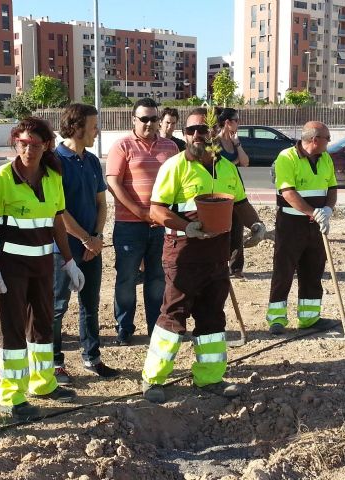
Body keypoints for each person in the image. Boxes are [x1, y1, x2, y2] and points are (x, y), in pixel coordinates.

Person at [140, 107, 265, 404]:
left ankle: (209, 377)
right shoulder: (175, 166)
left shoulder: (227, 168)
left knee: (212, 316)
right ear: (184, 135)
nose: (197, 135)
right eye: (190, 130)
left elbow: (240, 203)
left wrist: (256, 224)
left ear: (214, 133)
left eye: (202, 130)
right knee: (174, 315)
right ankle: (153, 378)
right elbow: (156, 210)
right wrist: (187, 227)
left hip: (216, 255)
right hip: (183, 254)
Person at [0, 116, 82, 419]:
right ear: (16, 143)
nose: (28, 150)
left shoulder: (53, 178)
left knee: (42, 323)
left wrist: (68, 261)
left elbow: (57, 223)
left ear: (46, 146)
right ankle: (11, 394)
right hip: (11, 266)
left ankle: (43, 383)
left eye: (35, 145)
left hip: (43, 264)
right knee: (12, 328)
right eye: (22, 143)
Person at [52, 103, 119, 384]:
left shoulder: (91, 160)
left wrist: (98, 237)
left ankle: (92, 357)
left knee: (90, 303)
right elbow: (59, 211)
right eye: (93, 126)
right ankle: (54, 363)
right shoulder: (55, 161)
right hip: (63, 249)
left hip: (92, 246)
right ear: (77, 127)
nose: (97, 131)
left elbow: (101, 202)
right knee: (57, 306)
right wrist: (85, 239)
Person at [106, 98, 179, 344]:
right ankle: (124, 326)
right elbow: (114, 183)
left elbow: (179, 183)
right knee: (126, 278)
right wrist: (140, 212)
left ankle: (155, 327)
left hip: (161, 226)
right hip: (129, 226)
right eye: (144, 119)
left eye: (153, 119)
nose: (149, 123)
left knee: (158, 278)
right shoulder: (122, 146)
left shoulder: (170, 147)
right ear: (133, 120)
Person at [266, 121, 338, 335]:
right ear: (315, 140)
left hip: (317, 225)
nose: (329, 142)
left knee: (314, 269)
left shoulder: (326, 158)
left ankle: (309, 318)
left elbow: (332, 188)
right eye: (327, 138)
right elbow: (288, 192)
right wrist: (312, 212)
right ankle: (277, 318)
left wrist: (327, 209)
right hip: (291, 224)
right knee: (284, 269)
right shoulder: (286, 158)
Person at [215, 108, 253, 278]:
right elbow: (217, 164)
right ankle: (219, 264)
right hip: (220, 190)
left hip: (236, 188)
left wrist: (237, 144)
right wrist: (234, 162)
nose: (239, 123)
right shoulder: (215, 142)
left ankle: (236, 268)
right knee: (221, 229)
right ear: (228, 122)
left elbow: (245, 162)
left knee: (237, 228)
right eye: (236, 120)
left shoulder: (235, 141)